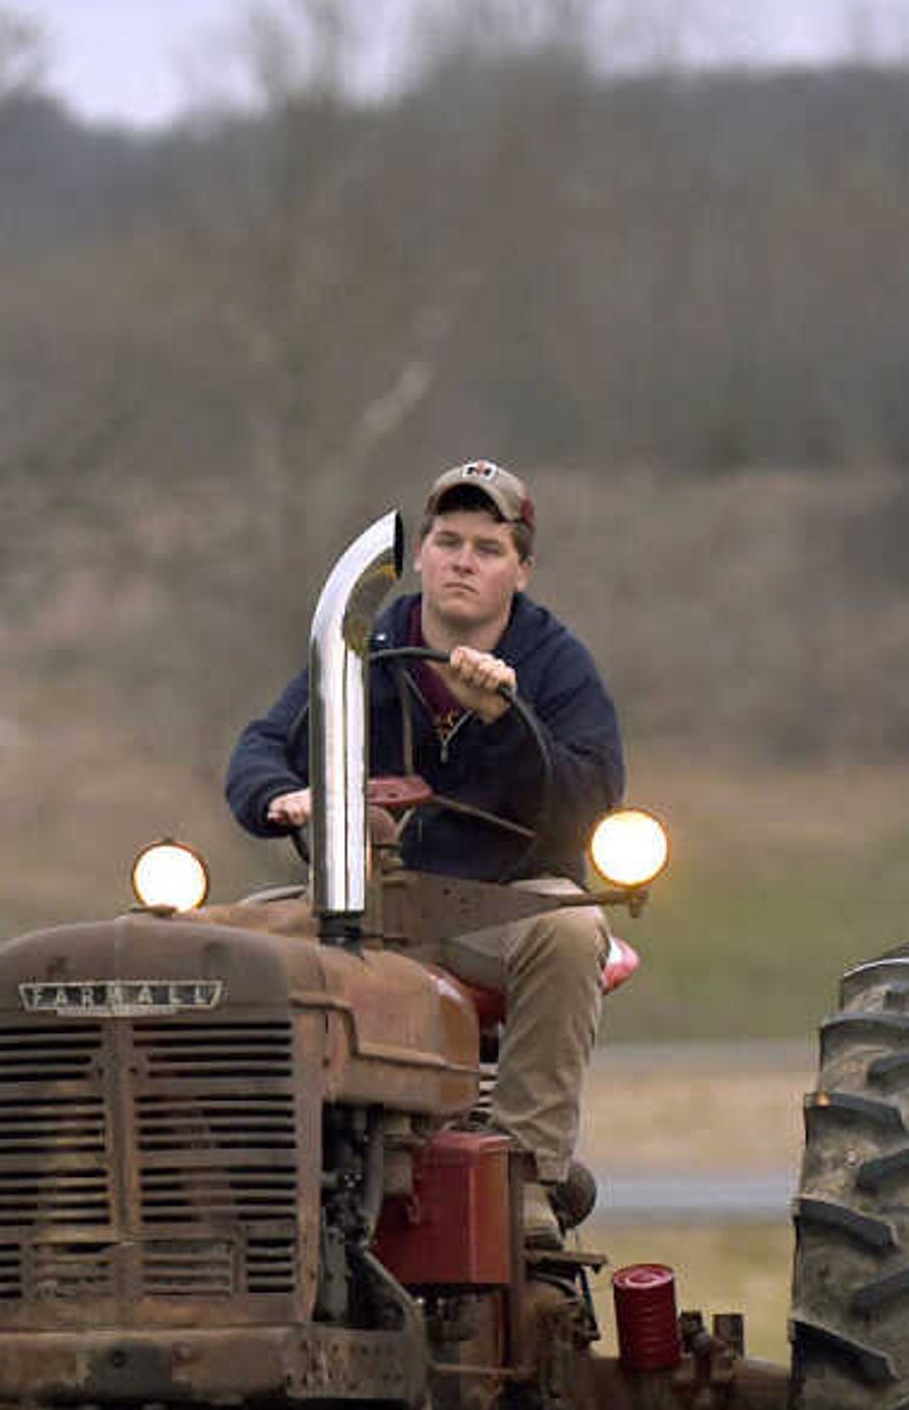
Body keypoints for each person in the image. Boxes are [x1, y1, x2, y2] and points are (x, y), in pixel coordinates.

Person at [223, 458, 627, 1235]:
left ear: (521, 569)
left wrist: (505, 722)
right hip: (368, 901)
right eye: (448, 541)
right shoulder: (363, 644)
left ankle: (528, 1175)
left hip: (498, 902)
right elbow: (263, 746)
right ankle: (257, 1176)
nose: (463, 561)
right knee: (230, 944)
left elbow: (590, 797)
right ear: (420, 555)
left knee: (571, 930)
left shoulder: (555, 664)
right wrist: (284, 797)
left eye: (487, 547)